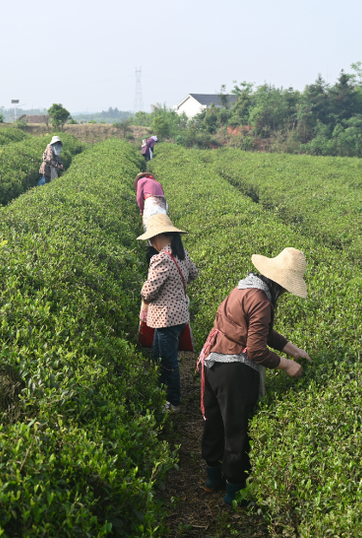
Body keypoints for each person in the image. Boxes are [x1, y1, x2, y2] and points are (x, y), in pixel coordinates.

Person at [197, 248, 312, 507]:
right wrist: (287, 366)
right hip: (234, 371)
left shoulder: (245, 289)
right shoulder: (261, 300)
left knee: (214, 422)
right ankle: (234, 491)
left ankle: (211, 478)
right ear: (280, 284)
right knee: (236, 429)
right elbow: (257, 349)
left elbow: (261, 331)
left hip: (213, 362)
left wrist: (292, 349)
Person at [138, 214, 198, 415]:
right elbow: (194, 274)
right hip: (179, 315)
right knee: (159, 356)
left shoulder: (161, 258)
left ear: (160, 236)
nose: (152, 243)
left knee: (167, 361)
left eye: (152, 238)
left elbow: (149, 291)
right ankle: (161, 394)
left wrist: (145, 289)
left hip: (165, 319)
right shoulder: (181, 254)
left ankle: (173, 402)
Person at [135, 172, 168, 265]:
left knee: (149, 227)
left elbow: (139, 197)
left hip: (152, 203)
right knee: (161, 228)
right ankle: (162, 252)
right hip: (163, 204)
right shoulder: (156, 182)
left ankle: (152, 255)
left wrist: (141, 210)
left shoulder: (141, 181)